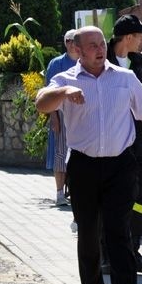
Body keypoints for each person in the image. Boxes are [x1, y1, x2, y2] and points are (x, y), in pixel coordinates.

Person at [35, 26, 142, 284]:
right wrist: (64, 92)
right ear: (78, 50)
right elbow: (42, 102)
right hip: (83, 166)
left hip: (120, 165)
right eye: (92, 45)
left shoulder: (124, 78)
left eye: (102, 43)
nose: (100, 49)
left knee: (119, 227)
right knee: (89, 231)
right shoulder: (66, 79)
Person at [106, 14, 142, 274]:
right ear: (127, 37)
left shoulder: (137, 61)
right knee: (110, 196)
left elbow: (140, 97)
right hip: (110, 138)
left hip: (136, 136)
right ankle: (107, 254)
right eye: (139, 37)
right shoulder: (102, 59)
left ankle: (133, 248)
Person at [45, 29, 80, 206]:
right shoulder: (56, 64)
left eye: (75, 40)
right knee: (60, 153)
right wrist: (54, 117)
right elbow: (48, 93)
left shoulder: (85, 62)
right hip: (62, 113)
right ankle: (60, 193)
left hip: (82, 114)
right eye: (68, 40)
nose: (72, 44)